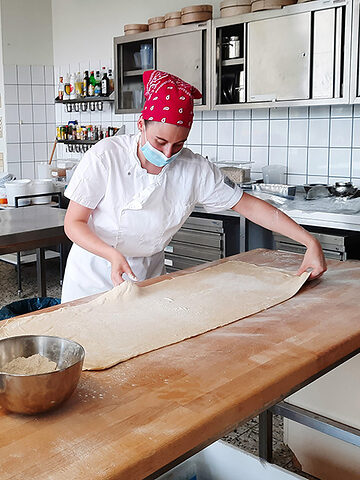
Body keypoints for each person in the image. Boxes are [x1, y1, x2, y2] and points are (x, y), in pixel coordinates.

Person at [61, 70, 326, 303]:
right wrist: (110, 254)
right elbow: (74, 223)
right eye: (159, 141)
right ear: (141, 124)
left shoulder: (194, 168)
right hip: (94, 274)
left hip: (147, 278)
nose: (167, 154)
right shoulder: (106, 156)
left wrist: (309, 241)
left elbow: (249, 206)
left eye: (178, 145)